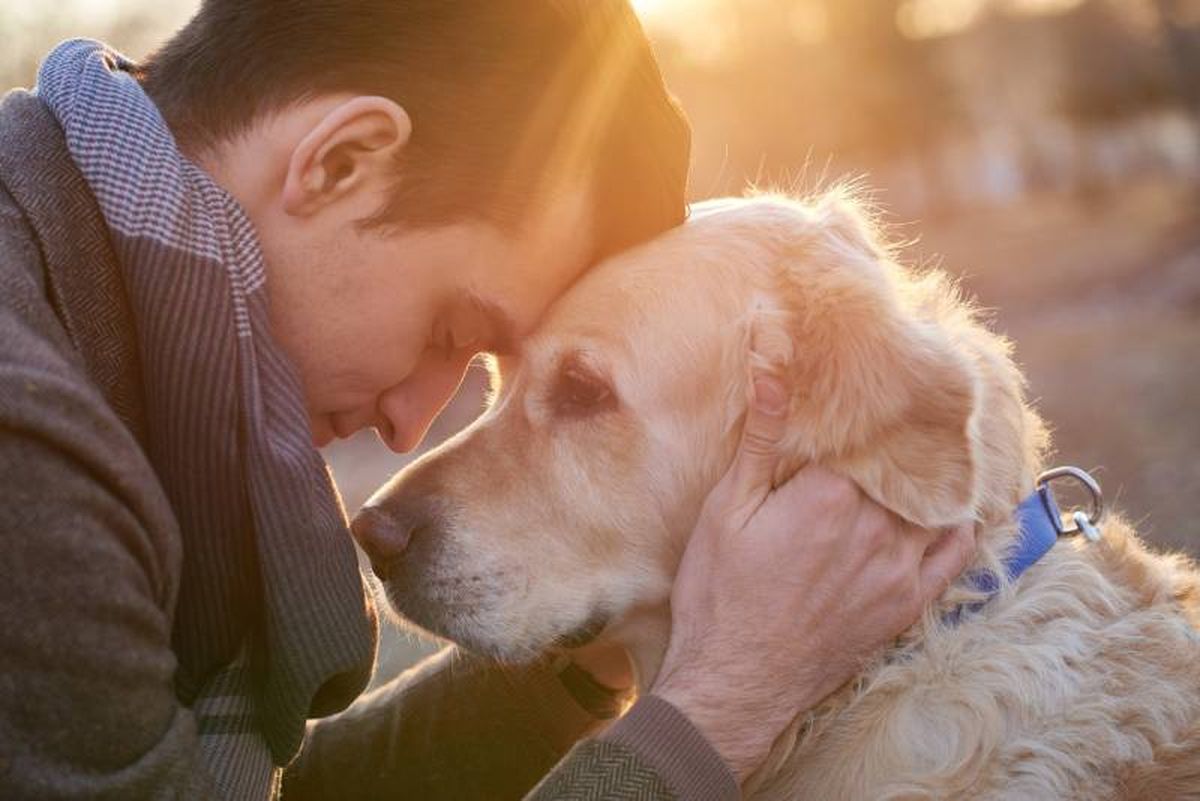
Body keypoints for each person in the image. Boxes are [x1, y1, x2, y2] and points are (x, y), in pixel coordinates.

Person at [0, 1, 976, 799]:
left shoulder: (62, 273)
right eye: (451, 334)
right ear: (339, 163)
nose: (411, 424)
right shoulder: (27, 450)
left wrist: (599, 647)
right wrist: (722, 704)